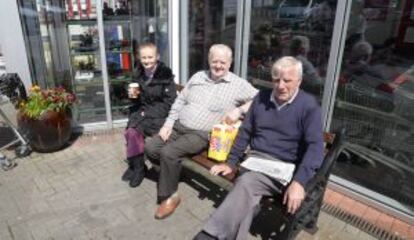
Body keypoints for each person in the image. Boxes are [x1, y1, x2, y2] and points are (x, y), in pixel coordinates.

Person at [194, 56, 324, 240]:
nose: (280, 86)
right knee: (248, 200)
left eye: (287, 81)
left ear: (299, 81)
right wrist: (231, 163)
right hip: (254, 161)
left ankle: (209, 235)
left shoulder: (308, 105)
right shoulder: (261, 98)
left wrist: (300, 182)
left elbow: (316, 147)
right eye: (276, 79)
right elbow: (245, 132)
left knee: (246, 184)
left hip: (282, 167)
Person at [145, 44, 258, 220]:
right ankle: (172, 172)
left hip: (201, 134)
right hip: (178, 127)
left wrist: (240, 110)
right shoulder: (198, 76)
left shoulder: (237, 84)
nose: (218, 65)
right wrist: (168, 124)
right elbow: (180, 100)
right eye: (215, 61)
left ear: (230, 63)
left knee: (169, 152)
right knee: (151, 147)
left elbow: (260, 98)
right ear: (209, 61)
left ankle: (169, 196)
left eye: (223, 62)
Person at [122, 43, 176, 188]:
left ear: (157, 57)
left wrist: (148, 112)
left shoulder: (165, 75)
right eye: (144, 57)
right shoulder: (137, 73)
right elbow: (135, 100)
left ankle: (137, 166)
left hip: (159, 116)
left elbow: (170, 103)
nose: (147, 61)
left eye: (150, 57)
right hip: (142, 112)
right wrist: (132, 97)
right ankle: (138, 167)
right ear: (139, 58)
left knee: (141, 133)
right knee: (131, 132)